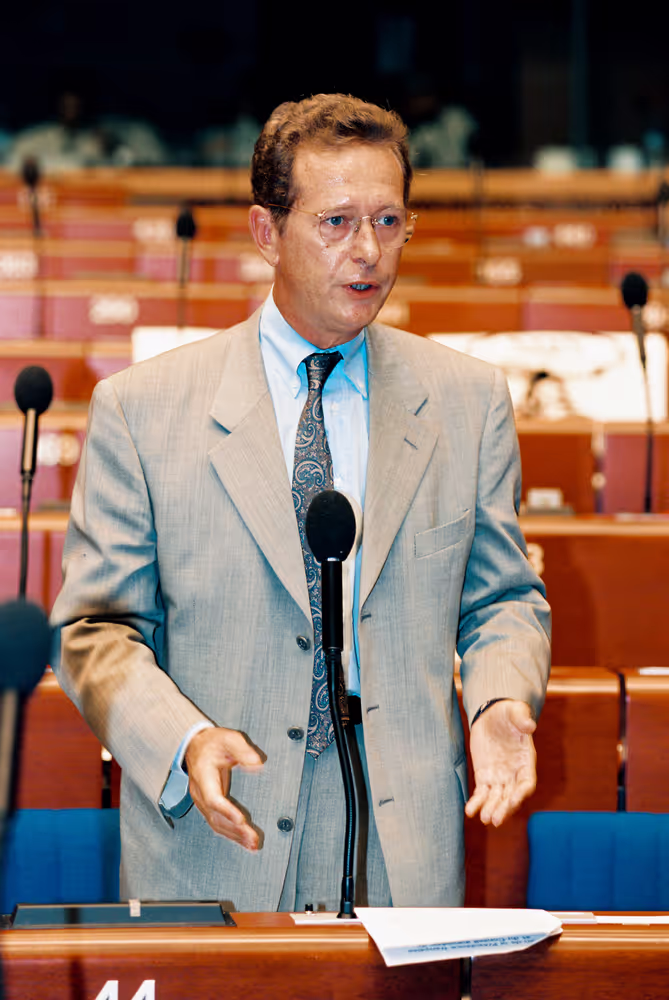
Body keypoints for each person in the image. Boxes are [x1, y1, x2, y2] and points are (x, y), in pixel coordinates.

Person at [51, 94, 550, 911]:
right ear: (264, 233)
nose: (368, 253)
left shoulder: (468, 401)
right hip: (216, 834)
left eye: (389, 222)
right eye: (336, 222)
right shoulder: (143, 411)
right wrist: (180, 743)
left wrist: (499, 699)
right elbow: (94, 628)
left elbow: (501, 599)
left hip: (404, 846)